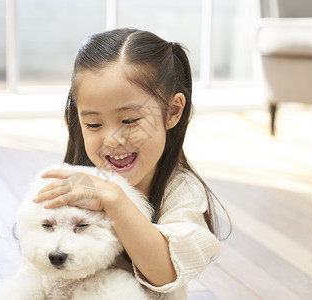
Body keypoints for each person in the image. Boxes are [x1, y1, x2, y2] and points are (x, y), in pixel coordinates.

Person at [33, 28, 229, 299]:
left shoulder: (182, 191)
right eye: (93, 124)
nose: (112, 140)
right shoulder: (75, 181)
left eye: (129, 121)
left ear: (172, 111)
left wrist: (112, 198)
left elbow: (164, 273)